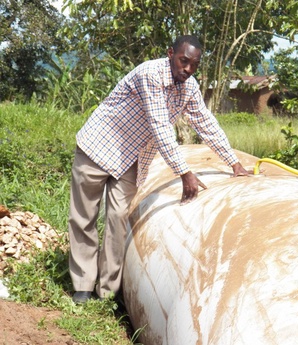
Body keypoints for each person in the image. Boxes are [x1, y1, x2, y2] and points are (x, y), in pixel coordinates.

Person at [68, 35, 250, 304]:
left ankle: (107, 291)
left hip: (131, 158)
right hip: (99, 146)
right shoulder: (150, 74)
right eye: (183, 61)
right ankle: (82, 285)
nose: (187, 69)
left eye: (194, 65)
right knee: (84, 217)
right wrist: (184, 172)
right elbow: (160, 126)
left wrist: (233, 162)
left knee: (118, 218)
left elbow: (206, 123)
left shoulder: (189, 88)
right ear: (170, 54)